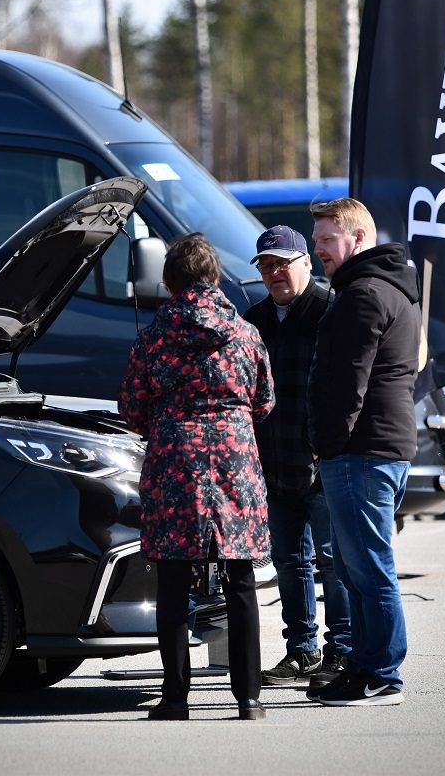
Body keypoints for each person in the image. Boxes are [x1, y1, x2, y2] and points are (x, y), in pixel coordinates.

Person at [119, 232, 275, 721]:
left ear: (170, 283)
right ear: (214, 277)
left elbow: (132, 407)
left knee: (172, 580)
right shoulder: (247, 333)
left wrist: (168, 421)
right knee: (241, 578)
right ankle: (249, 699)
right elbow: (265, 400)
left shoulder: (153, 336)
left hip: (175, 465)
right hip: (236, 465)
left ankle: (174, 698)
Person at [305, 198, 419, 707]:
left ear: (359, 237)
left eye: (328, 239)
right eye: (317, 239)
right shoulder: (383, 288)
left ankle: (383, 674)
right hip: (378, 446)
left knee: (367, 565)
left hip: (362, 449)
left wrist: (325, 445)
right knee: (357, 566)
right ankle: (366, 664)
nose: (318, 248)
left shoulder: (364, 295)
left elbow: (346, 383)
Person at [243, 225, 351, 691]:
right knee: (289, 562)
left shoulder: (332, 311)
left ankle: (342, 651)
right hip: (274, 463)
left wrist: (328, 442)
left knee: (332, 561)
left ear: (306, 262)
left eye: (282, 264)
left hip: (324, 462)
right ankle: (302, 650)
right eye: (266, 266)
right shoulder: (254, 319)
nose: (274, 273)